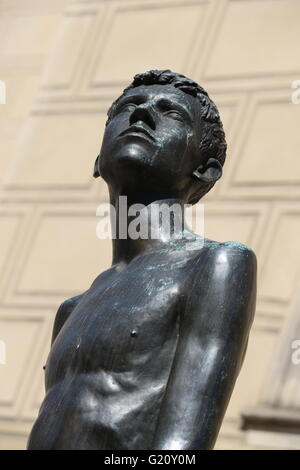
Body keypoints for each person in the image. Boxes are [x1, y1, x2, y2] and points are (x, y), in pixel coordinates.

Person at [27, 70, 256, 450]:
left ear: (205, 170)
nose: (142, 115)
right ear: (99, 160)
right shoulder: (72, 310)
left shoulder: (214, 265)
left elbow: (182, 444)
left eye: (172, 114)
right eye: (129, 107)